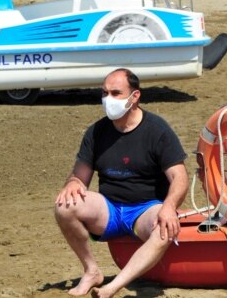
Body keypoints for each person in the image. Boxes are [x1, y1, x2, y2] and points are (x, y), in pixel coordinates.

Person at [54, 68, 187, 298]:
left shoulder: (157, 130)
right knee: (64, 206)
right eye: (104, 93)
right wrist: (73, 183)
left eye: (116, 93)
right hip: (110, 209)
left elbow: (180, 177)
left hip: (146, 209)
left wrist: (169, 206)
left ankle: (113, 286)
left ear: (135, 97)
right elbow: (79, 177)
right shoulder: (96, 132)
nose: (108, 100)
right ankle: (91, 271)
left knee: (164, 229)